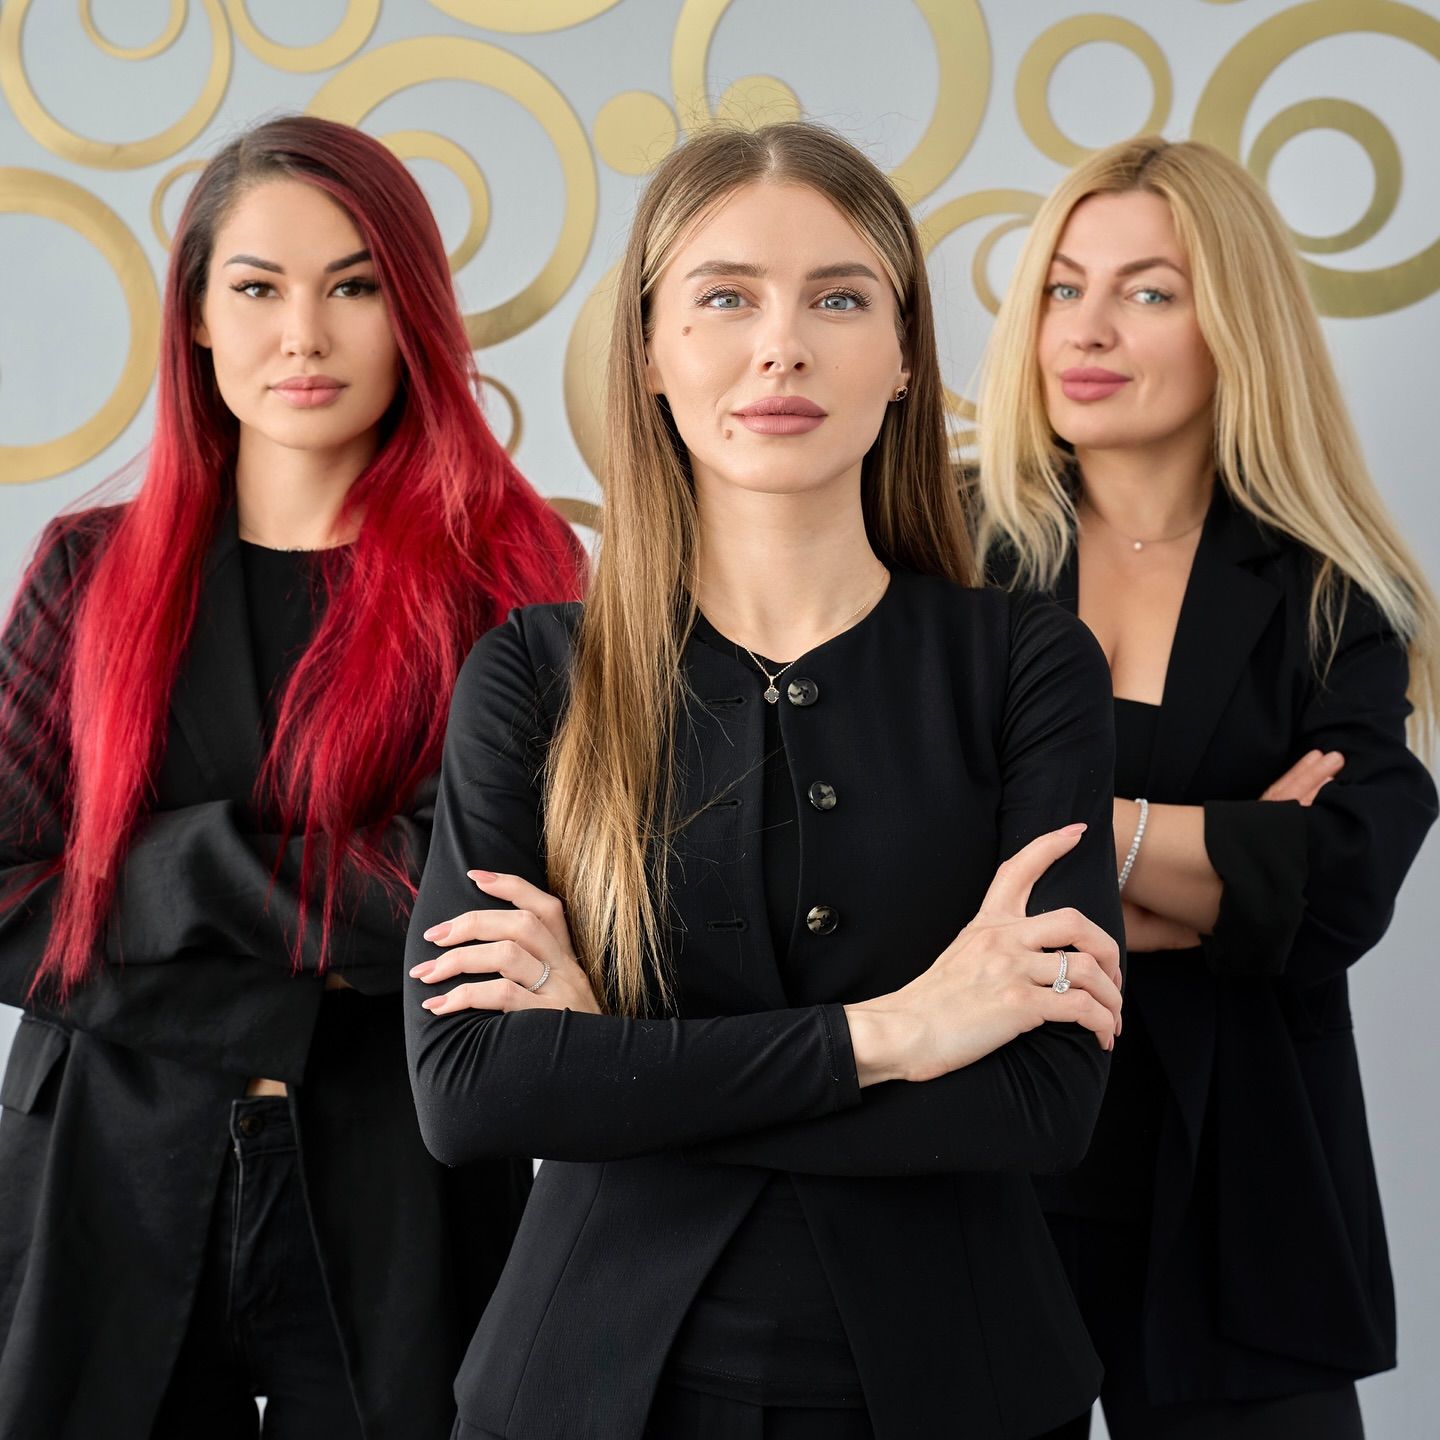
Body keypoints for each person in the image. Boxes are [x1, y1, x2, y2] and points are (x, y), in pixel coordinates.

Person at [403, 120, 1124, 1440]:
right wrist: (897, 1033)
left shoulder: (1027, 662)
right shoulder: (533, 674)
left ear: (904, 357)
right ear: (652, 352)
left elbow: (1041, 1098)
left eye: (838, 298)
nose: (780, 345)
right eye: (725, 296)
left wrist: (619, 1071)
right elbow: (472, 1092)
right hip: (585, 1391)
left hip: (962, 1385)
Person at [0, 116, 583, 1440]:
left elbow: (469, 905)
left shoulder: (512, 585)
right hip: (100, 1180)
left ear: (411, 315)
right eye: (258, 287)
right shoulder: (86, 572)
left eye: (354, 285)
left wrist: (151, 875)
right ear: (197, 319)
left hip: (406, 1184)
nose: (303, 336)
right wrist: (317, 940)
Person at [975, 136, 1439, 1439]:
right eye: (1063, 287)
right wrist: (1225, 862)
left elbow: (1338, 887)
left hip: (1245, 1183)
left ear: (1235, 321)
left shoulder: (1336, 591)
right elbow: (896, 861)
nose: (1090, 328)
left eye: (1149, 291)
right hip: (982, 1161)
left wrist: (1059, 847)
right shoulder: (948, 550)